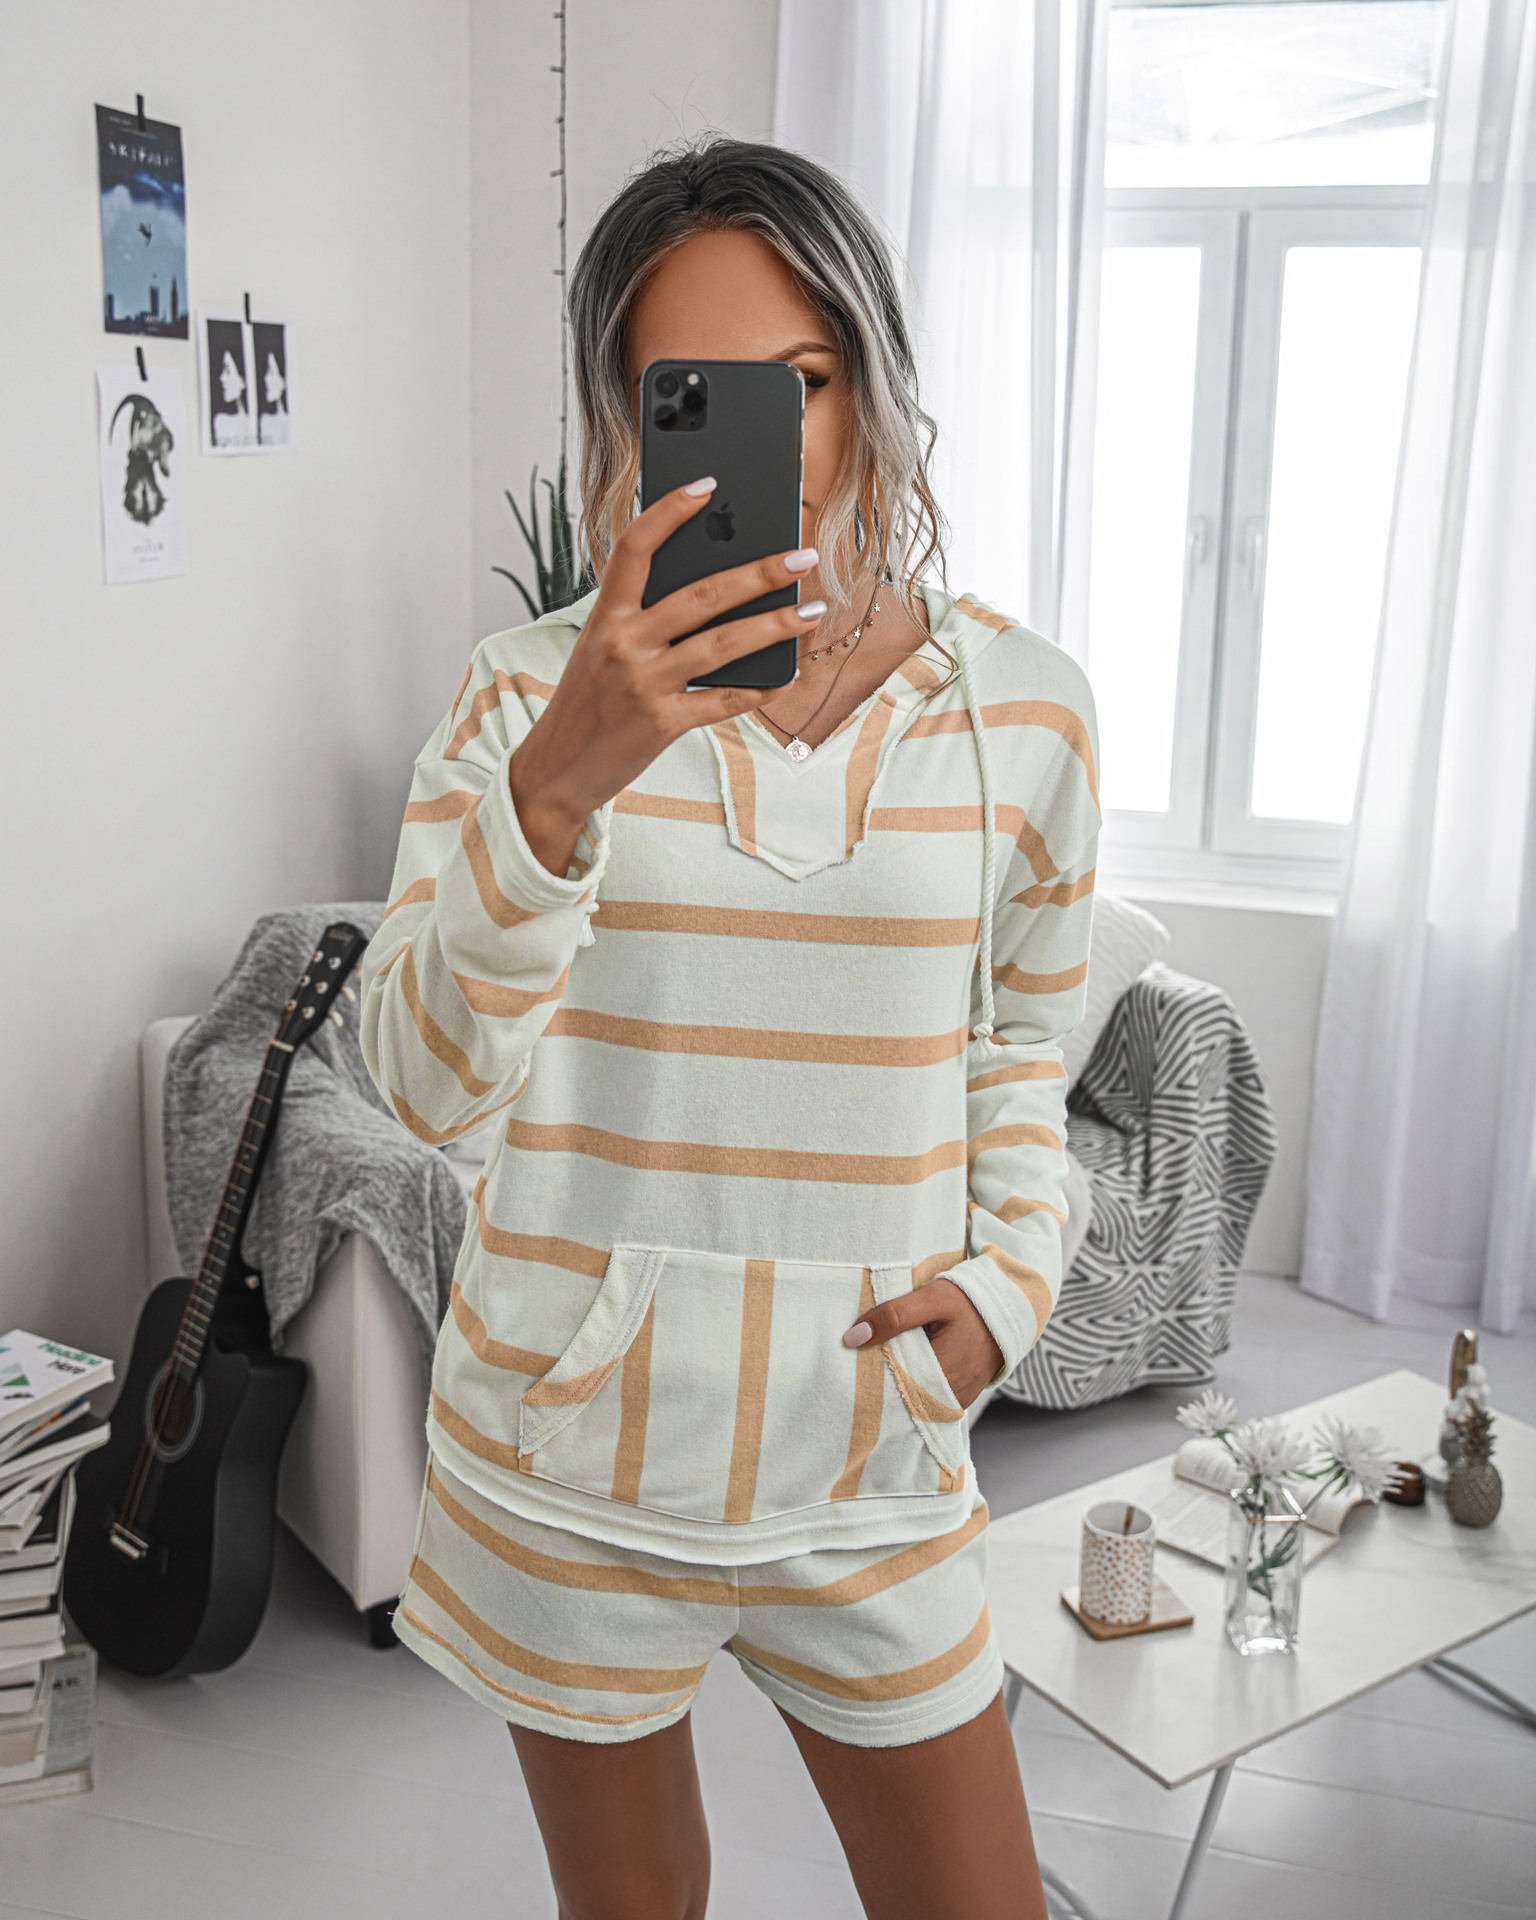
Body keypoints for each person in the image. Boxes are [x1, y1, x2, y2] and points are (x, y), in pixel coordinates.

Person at [360, 136, 1100, 1920]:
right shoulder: (522, 697)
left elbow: (1019, 1050)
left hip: (870, 1454)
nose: (770, 439)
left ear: (872, 383)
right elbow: (424, 1086)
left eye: (806, 381)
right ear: (626, 420)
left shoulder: (1026, 712)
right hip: (571, 1458)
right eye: (693, 393)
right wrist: (562, 781)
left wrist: (1009, 1289)